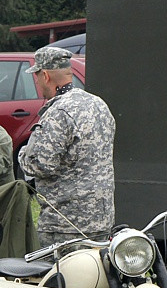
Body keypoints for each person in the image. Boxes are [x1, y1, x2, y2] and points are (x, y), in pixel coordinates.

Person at [18, 46, 116, 246]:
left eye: (36, 77)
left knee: (59, 276)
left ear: (45, 76)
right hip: (101, 219)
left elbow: (41, 164)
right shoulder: (98, 104)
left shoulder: (58, 112)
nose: (37, 83)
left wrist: (22, 155)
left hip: (65, 225)